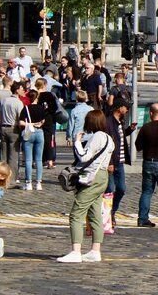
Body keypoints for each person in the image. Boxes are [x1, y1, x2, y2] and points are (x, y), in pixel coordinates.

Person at [58, 108, 114, 263]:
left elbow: (84, 157)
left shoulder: (96, 137)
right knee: (95, 213)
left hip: (92, 177)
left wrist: (77, 142)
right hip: (102, 177)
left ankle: (76, 251)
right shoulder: (109, 138)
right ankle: (95, 250)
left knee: (76, 213)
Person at [105, 101, 136, 223]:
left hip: (120, 162)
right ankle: (107, 215)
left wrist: (129, 130)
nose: (127, 109)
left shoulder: (120, 122)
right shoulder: (108, 122)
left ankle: (112, 210)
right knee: (110, 189)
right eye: (126, 107)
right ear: (119, 108)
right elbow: (108, 144)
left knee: (121, 189)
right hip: (112, 162)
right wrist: (110, 162)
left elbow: (120, 136)